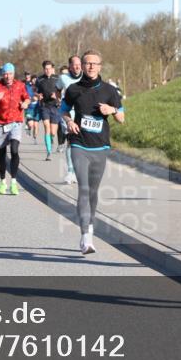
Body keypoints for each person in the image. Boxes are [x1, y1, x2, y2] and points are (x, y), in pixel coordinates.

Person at [62, 50, 125, 255]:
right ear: (82, 65)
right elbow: (62, 110)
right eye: (87, 63)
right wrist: (69, 121)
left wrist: (112, 111)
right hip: (79, 144)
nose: (90, 67)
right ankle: (85, 236)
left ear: (100, 66)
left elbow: (122, 117)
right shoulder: (73, 89)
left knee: (94, 192)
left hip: (100, 147)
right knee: (84, 188)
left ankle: (89, 226)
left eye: (94, 64)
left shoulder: (110, 91)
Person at [0, 63, 30, 194]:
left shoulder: (20, 85)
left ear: (14, 73)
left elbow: (27, 98)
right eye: (5, 73)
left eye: (10, 73)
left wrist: (25, 104)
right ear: (2, 74)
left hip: (16, 122)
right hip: (0, 123)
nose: (8, 76)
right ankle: (3, 181)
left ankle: (14, 182)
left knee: (15, 150)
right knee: (2, 153)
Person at [56, 55, 83, 184]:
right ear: (70, 66)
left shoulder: (86, 77)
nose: (77, 67)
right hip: (68, 114)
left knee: (82, 143)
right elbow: (57, 89)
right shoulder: (63, 78)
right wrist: (58, 100)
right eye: (74, 64)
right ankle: (70, 172)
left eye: (79, 64)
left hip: (83, 113)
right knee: (71, 141)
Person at [35, 60, 62, 161]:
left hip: (55, 107)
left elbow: (63, 91)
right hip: (45, 106)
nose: (47, 70)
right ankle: (49, 152)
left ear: (53, 69)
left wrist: (57, 95)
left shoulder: (58, 78)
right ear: (43, 69)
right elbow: (36, 92)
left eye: (49, 68)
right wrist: (38, 95)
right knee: (47, 127)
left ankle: (51, 139)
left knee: (53, 132)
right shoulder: (40, 80)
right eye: (46, 69)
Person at [23, 71, 40, 141]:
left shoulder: (39, 87)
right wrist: (29, 98)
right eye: (33, 79)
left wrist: (39, 97)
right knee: (31, 124)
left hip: (37, 108)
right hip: (29, 108)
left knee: (36, 125)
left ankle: (35, 137)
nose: (34, 81)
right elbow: (24, 95)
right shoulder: (27, 86)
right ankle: (28, 125)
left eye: (36, 79)